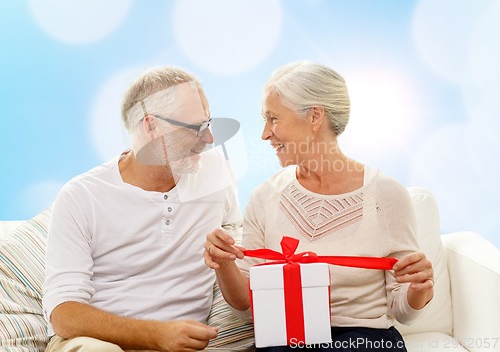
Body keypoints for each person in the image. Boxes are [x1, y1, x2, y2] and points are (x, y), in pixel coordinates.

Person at [204, 61, 434, 351]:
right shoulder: (265, 197)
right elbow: (246, 306)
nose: (264, 133)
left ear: (314, 117)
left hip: (364, 340)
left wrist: (418, 289)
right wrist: (223, 263)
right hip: (289, 339)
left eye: (273, 119)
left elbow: (403, 311)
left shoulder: (386, 195)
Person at [43, 66, 241, 352]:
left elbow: (241, 278)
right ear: (151, 126)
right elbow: (63, 313)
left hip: (183, 344)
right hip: (98, 342)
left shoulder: (216, 176)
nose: (209, 138)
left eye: (209, 123)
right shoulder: (82, 196)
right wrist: (156, 335)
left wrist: (225, 258)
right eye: (197, 127)